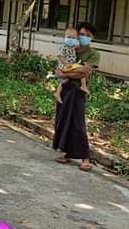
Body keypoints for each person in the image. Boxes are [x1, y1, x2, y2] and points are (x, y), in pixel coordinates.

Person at [52, 22, 101, 172]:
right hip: (65, 89)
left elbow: (84, 72)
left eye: (87, 35)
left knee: (78, 123)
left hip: (78, 90)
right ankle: (67, 153)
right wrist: (66, 73)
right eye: (81, 34)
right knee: (64, 120)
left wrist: (66, 73)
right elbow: (58, 68)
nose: (83, 37)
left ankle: (85, 158)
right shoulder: (70, 48)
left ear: (92, 37)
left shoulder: (93, 54)